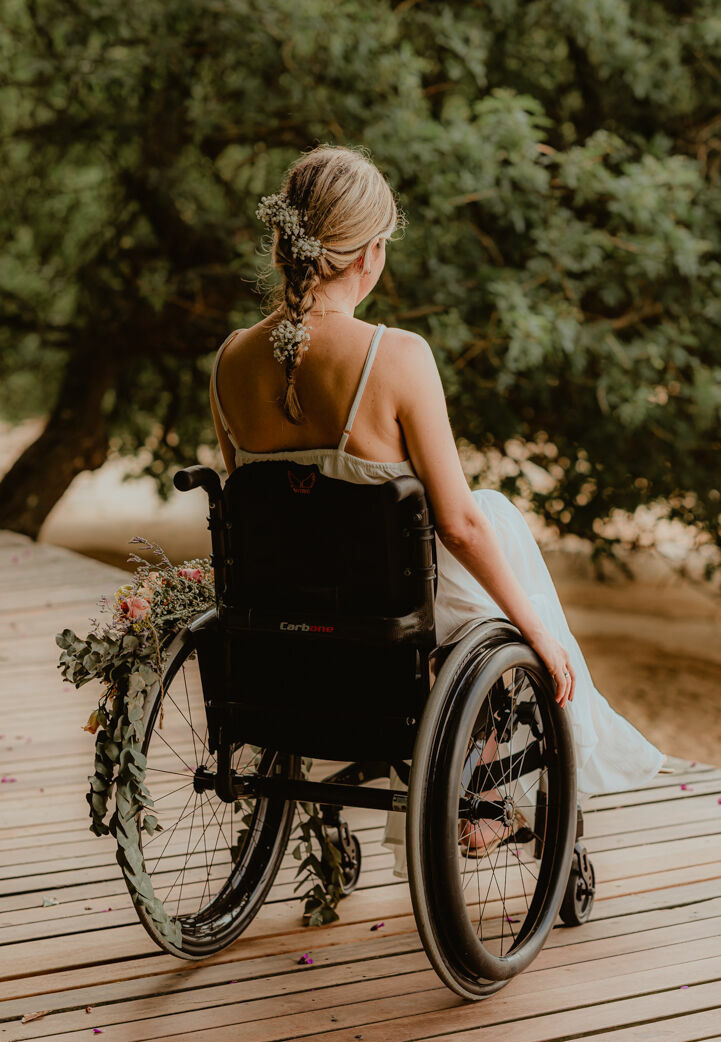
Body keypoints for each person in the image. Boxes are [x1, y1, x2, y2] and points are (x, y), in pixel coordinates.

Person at [209, 143, 666, 877]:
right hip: (393, 637)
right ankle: (484, 779)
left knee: (468, 521)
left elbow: (259, 515)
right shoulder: (396, 357)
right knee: (488, 511)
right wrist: (536, 631)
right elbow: (457, 524)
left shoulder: (231, 359)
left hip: (285, 643)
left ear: (282, 244)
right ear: (372, 252)